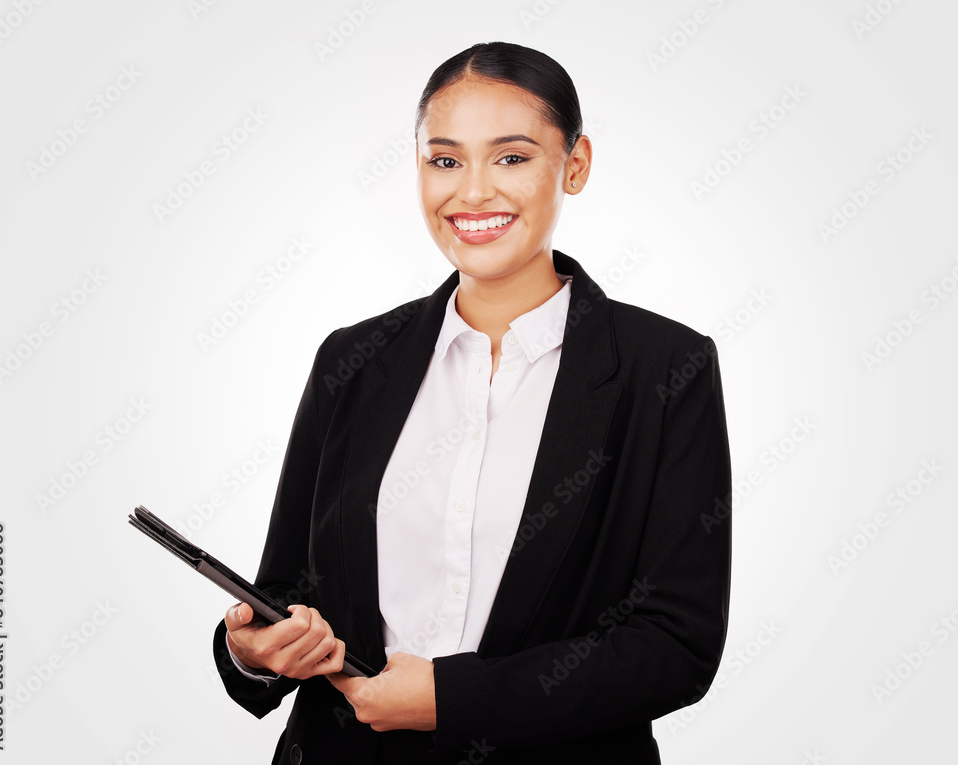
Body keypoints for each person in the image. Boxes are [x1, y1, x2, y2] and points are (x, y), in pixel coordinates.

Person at [213, 40, 731, 764]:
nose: (473, 192)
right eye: (445, 160)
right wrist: (254, 649)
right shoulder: (352, 361)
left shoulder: (664, 368)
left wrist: (450, 699)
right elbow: (288, 587)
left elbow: (676, 645)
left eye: (512, 157)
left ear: (574, 165)